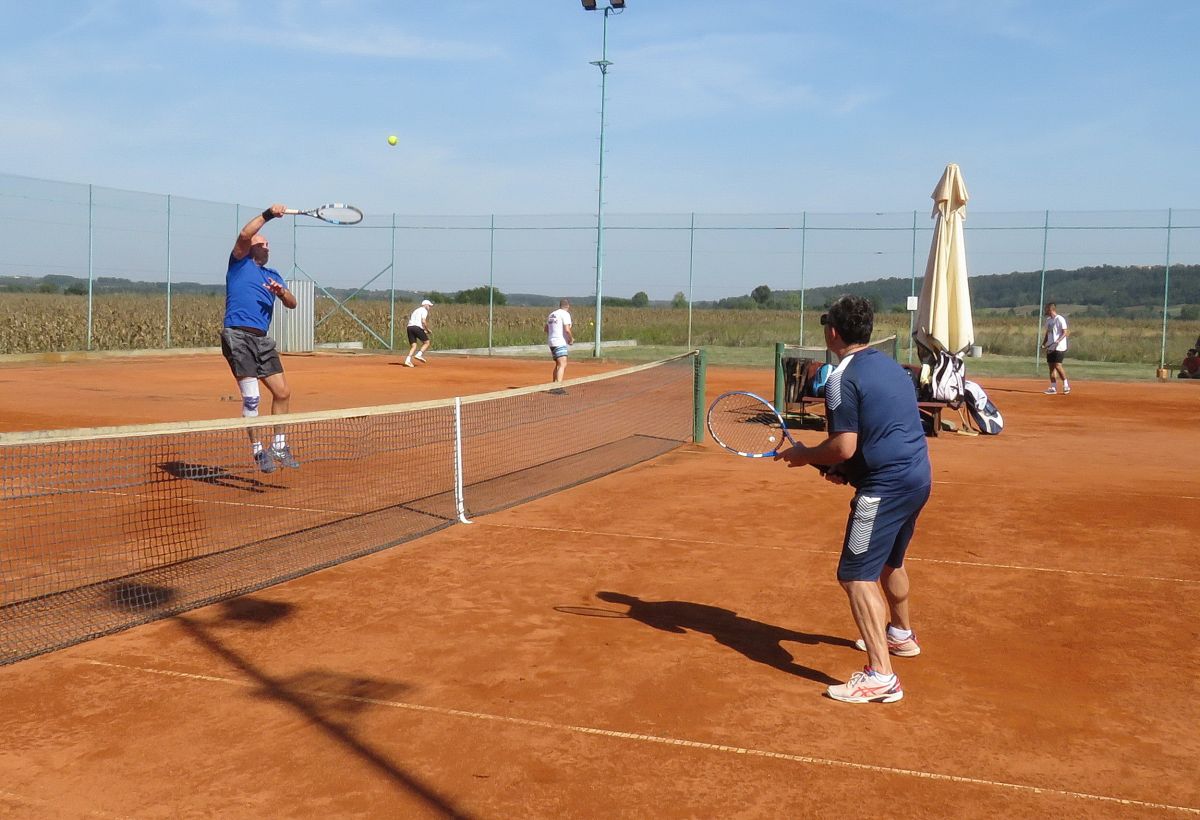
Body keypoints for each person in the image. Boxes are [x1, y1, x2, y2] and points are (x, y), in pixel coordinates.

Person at [774, 294, 931, 704]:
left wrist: (806, 455)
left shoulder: (840, 379)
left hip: (885, 486)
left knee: (855, 574)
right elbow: (882, 430)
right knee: (890, 562)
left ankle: (881, 675)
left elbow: (843, 446)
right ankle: (900, 634)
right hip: (917, 477)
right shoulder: (891, 368)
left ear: (833, 332)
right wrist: (847, 470)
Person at [221, 203, 300, 474]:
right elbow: (244, 234)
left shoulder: (273, 274)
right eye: (262, 243)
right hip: (238, 336)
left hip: (262, 340)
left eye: (268, 245)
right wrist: (268, 215)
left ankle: (279, 445)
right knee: (252, 399)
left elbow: (293, 303)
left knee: (283, 392)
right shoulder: (239, 264)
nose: (267, 247)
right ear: (251, 247)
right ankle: (258, 451)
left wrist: (281, 293)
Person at [1041, 302, 1071, 394]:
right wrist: (1044, 343)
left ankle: (1066, 385)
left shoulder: (1060, 319)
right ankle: (1053, 388)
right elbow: (1048, 333)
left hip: (1059, 347)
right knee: (1051, 367)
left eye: (1046, 309)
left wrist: (1058, 341)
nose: (1045, 311)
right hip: (1050, 347)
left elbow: (1065, 332)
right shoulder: (1048, 320)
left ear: (1051, 309)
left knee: (1058, 365)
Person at [545, 298, 574, 383]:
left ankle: (554, 385)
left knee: (558, 364)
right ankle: (558, 387)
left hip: (551, 342)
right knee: (563, 364)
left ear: (560, 305)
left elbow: (546, 329)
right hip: (559, 342)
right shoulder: (565, 314)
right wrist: (571, 339)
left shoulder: (552, 314)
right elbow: (567, 329)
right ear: (568, 306)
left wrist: (552, 336)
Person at [403, 299, 434, 367]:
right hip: (416, 328)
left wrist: (423, 330)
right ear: (425, 305)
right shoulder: (424, 311)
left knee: (414, 346)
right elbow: (423, 321)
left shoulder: (416, 310)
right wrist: (427, 329)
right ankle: (419, 355)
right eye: (429, 305)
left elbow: (415, 322)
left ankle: (407, 360)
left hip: (409, 328)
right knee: (427, 342)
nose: (429, 307)